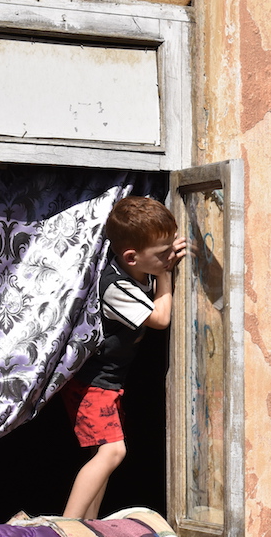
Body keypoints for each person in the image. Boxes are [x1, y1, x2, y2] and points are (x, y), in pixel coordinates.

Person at [61, 196, 186, 519]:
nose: (169, 256)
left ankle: (88, 523)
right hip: (92, 385)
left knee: (101, 455)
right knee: (113, 451)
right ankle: (67, 526)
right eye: (162, 253)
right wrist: (167, 274)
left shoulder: (140, 270)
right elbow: (159, 318)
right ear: (131, 257)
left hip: (108, 384)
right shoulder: (116, 286)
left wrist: (164, 256)